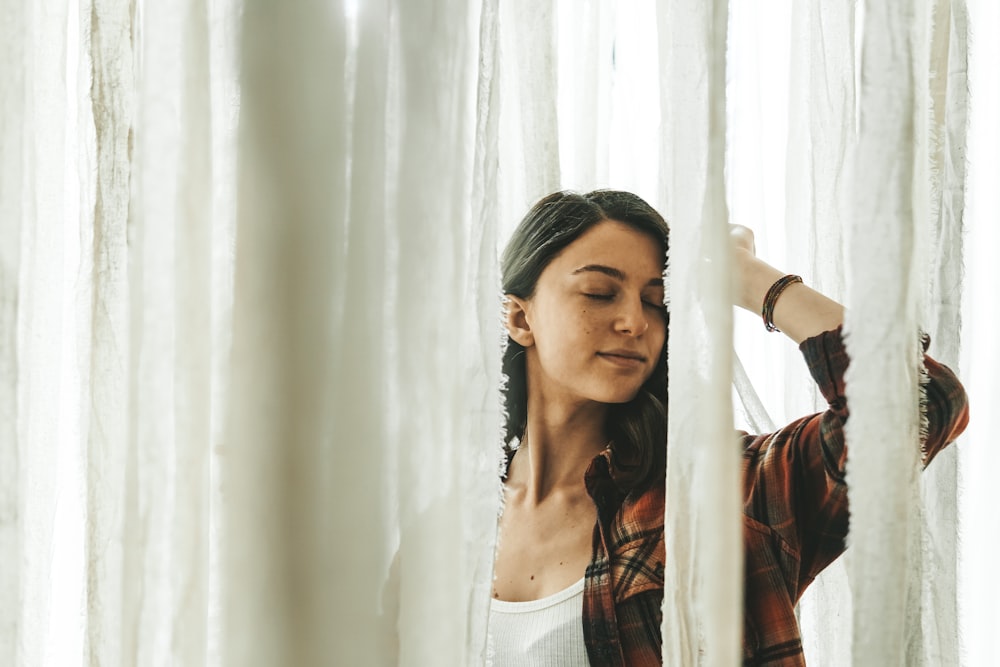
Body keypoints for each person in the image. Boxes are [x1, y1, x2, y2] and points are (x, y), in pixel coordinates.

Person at [486, 190, 969, 666]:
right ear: (519, 317)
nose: (635, 321)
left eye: (657, 301)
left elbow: (923, 402)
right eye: (599, 292)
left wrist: (751, 279)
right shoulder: (460, 514)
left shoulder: (720, 494)